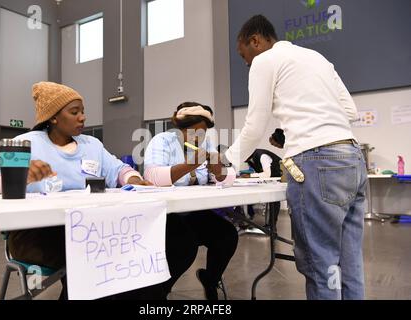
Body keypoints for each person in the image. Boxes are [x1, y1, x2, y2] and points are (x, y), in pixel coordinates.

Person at [0, 81, 165, 300]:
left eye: (83, 112)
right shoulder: (27, 143)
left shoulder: (91, 145)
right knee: (98, 255)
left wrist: (133, 178)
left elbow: (119, 169)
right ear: (54, 117)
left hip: (86, 228)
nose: (82, 117)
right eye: (74, 112)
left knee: (136, 245)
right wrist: (20, 176)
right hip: (35, 234)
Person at [224, 15, 367, 300]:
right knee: (349, 262)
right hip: (351, 157)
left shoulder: (265, 61)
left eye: (244, 56)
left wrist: (228, 162)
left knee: (321, 264)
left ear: (255, 41)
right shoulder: (316, 58)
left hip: (316, 163)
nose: (247, 63)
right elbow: (350, 112)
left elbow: (254, 125)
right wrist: (291, 131)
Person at [144, 102, 239, 300]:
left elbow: (228, 178)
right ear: (180, 128)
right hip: (167, 214)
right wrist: (189, 164)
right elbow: (152, 177)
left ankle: (210, 280)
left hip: (194, 211)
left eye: (202, 132)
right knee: (184, 247)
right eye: (193, 131)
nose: (198, 137)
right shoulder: (162, 141)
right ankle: (160, 291)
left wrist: (219, 172)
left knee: (227, 236)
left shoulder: (205, 145)